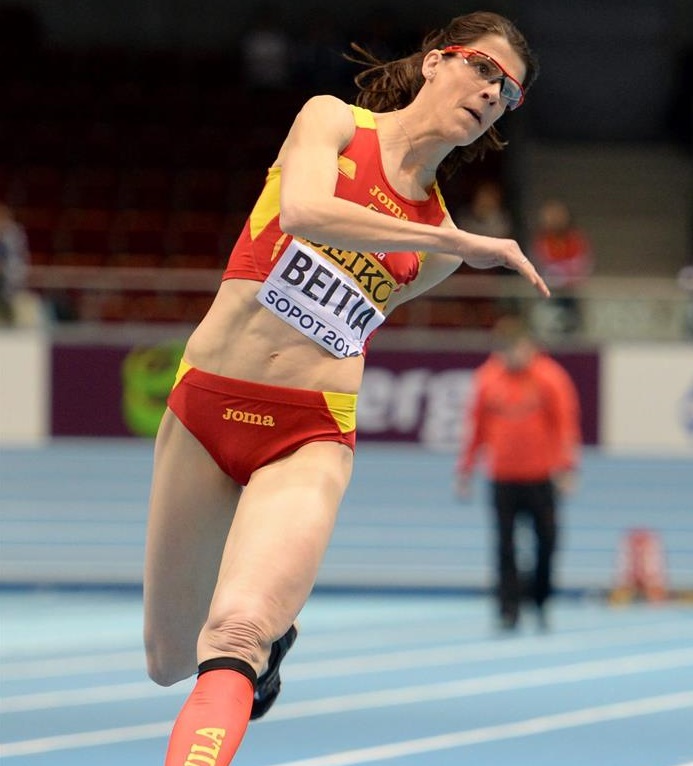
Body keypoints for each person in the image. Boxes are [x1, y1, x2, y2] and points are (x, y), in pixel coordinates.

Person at [144, 11, 547, 765]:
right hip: (205, 406)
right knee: (168, 658)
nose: (494, 93)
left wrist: (443, 240)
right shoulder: (332, 122)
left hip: (308, 431)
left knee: (232, 633)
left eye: (510, 93)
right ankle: (275, 642)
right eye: (484, 69)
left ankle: (257, 638)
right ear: (435, 61)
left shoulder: (436, 249)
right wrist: (455, 239)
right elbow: (304, 211)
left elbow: (348, 322)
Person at [455, 316, 581, 632]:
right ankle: (508, 609)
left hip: (541, 477)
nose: (512, 356)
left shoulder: (550, 377)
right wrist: (466, 468)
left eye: (517, 349)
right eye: (506, 351)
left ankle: (540, 600)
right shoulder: (487, 379)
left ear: (530, 347)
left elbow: (565, 424)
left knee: (547, 542)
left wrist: (567, 467)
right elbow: (475, 427)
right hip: (503, 477)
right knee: (505, 546)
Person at [530, 198, 593, 334]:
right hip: (548, 291)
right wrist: (556, 273)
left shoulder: (574, 238)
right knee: (548, 326)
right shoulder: (542, 240)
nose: (554, 220)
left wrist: (565, 273)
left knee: (572, 328)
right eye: (550, 216)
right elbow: (539, 264)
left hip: (571, 291)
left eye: (558, 215)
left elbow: (582, 263)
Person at [0, 203, 29, 326]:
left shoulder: (14, 234)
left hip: (10, 276)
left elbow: (18, 257)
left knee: (10, 300)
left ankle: (10, 320)